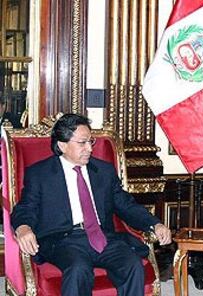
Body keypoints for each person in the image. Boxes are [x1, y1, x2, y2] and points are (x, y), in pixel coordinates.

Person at [11, 113, 172, 296]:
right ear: (62, 145)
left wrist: (154, 223)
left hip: (102, 237)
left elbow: (125, 204)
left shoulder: (103, 171)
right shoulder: (41, 174)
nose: (89, 148)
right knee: (78, 268)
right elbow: (26, 207)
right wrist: (23, 227)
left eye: (91, 142)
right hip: (64, 239)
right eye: (82, 142)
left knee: (132, 264)